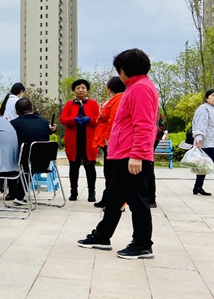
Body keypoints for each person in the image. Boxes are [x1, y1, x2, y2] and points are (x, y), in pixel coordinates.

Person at [78, 48, 159, 259]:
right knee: (114, 198)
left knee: (137, 201)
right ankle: (102, 235)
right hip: (124, 153)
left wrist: (137, 155)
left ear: (124, 70)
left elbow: (144, 124)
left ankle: (142, 244)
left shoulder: (140, 88)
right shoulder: (136, 87)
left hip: (132, 155)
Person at [9, 98, 55, 204]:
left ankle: (13, 193)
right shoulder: (44, 122)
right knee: (30, 160)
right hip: (44, 162)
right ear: (32, 109)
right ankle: (19, 195)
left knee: (22, 159)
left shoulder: (13, 124)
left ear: (16, 112)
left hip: (23, 162)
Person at [60, 79, 100, 201]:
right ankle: (73, 192)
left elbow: (99, 119)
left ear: (87, 90)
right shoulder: (69, 104)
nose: (80, 90)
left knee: (90, 168)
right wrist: (74, 120)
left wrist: (90, 119)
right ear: (74, 90)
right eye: (78, 88)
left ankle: (92, 192)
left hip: (89, 141)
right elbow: (63, 119)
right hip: (74, 141)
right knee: (73, 167)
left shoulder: (93, 104)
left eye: (83, 88)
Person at [93, 76, 126, 209]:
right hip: (108, 141)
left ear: (109, 88)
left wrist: (108, 139)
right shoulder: (113, 101)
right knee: (109, 173)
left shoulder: (118, 100)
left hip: (112, 142)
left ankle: (115, 202)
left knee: (112, 173)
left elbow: (113, 122)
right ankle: (108, 198)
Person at [191, 88, 214, 197]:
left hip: (213, 143)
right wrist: (198, 138)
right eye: (213, 95)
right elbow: (200, 124)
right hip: (205, 142)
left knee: (203, 164)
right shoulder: (204, 108)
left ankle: (197, 187)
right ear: (207, 98)